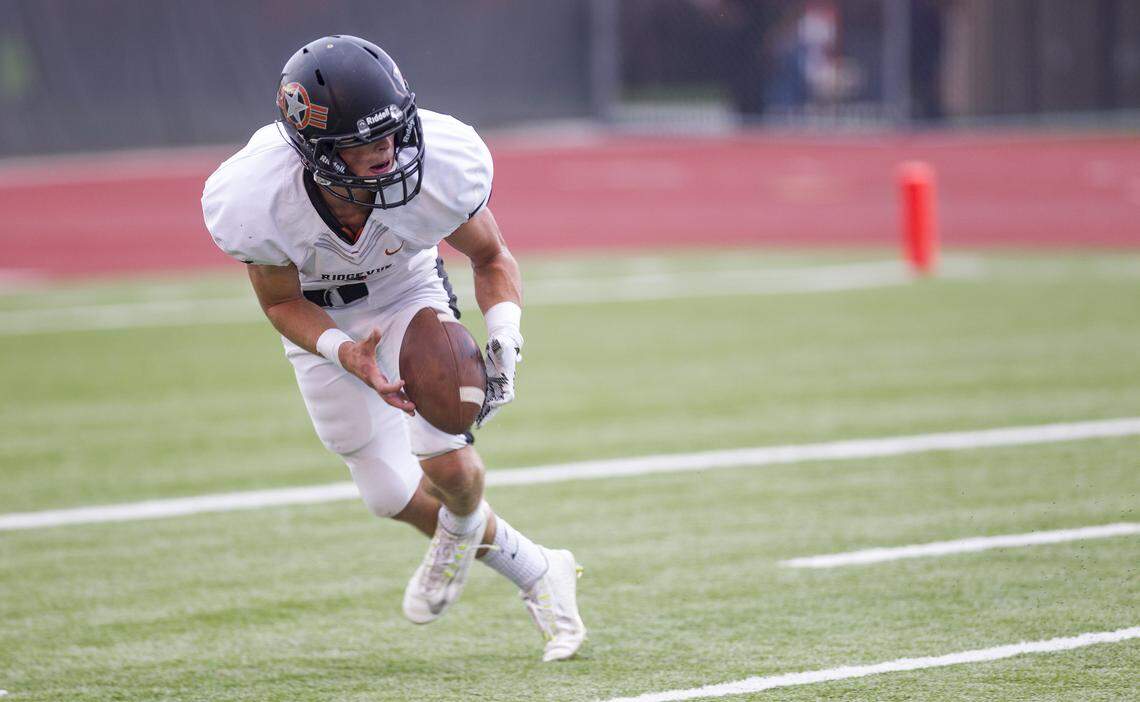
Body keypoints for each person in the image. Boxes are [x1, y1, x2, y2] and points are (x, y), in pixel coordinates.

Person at [201, 35, 585, 662]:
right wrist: (339, 350)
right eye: (363, 142)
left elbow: (491, 255)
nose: (387, 152)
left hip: (406, 289)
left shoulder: (436, 166)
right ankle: (541, 567)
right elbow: (279, 303)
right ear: (315, 151)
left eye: (392, 133)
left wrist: (506, 335)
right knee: (386, 494)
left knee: (445, 458)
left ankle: (461, 529)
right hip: (321, 318)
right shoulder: (257, 199)